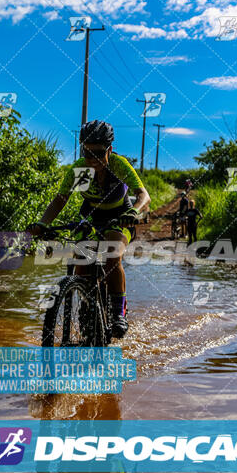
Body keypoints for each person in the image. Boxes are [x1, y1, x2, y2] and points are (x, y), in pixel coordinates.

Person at [28, 120, 150, 339]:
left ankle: (117, 311)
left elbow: (143, 195)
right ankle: (86, 303)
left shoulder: (119, 165)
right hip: (90, 216)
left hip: (119, 217)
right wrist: (43, 224)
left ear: (109, 150)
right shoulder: (80, 170)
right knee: (81, 261)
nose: (92, 160)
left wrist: (134, 212)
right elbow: (60, 199)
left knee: (112, 255)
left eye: (98, 153)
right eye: (87, 153)